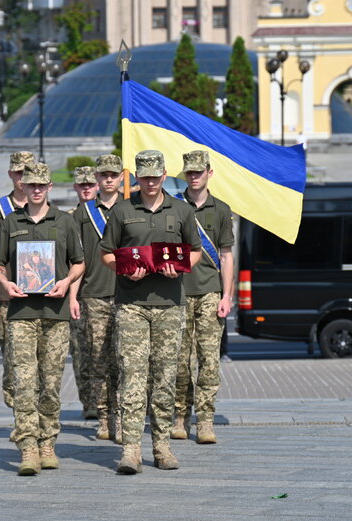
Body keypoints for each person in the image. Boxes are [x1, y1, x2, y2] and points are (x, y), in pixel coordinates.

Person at [99, 150, 201, 474]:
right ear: (137, 177)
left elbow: (195, 251)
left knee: (165, 378)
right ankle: (130, 450)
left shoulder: (182, 210)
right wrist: (125, 270)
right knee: (132, 375)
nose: (151, 181)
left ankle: (161, 447)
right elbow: (106, 255)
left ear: (164, 174)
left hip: (170, 305)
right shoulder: (122, 210)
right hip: (131, 306)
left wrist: (180, 268)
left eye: (156, 176)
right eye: (145, 177)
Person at [0, 162, 85, 476]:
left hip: (55, 314)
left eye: (41, 186)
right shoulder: (10, 222)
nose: (35, 190)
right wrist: (5, 284)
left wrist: (66, 283)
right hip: (21, 314)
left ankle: (48, 442)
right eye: (30, 185)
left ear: (49, 188)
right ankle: (28, 446)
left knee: (50, 383)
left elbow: (79, 263)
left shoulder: (64, 221)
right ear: (23, 186)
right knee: (23, 382)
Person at [171, 150, 235, 445]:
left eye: (199, 171)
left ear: (209, 173)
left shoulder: (221, 210)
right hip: (177, 293)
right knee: (179, 361)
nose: (194, 176)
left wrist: (227, 295)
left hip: (210, 292)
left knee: (208, 360)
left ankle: (205, 420)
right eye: (190, 172)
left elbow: (226, 256)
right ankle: (180, 416)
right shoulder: (171, 208)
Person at [0, 151, 33, 440]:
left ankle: (34, 421)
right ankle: (20, 418)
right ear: (11, 175)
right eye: (18, 173)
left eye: (27, 172)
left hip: (41, 297)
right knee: (13, 362)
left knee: (39, 363)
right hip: (7, 299)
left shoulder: (46, 208)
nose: (23, 179)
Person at [70, 156, 124, 441]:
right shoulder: (82, 214)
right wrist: (73, 296)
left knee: (124, 361)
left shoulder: (132, 208)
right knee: (99, 360)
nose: (108, 180)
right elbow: (75, 259)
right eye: (103, 175)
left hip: (128, 295)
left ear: (121, 178)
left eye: (113, 175)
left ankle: (122, 415)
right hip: (94, 294)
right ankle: (104, 416)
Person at [67, 167, 100, 419]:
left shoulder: (108, 215)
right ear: (75, 187)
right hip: (78, 294)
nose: (86, 188)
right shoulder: (69, 218)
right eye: (81, 185)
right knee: (81, 351)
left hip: (104, 291)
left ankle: (106, 401)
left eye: (90, 184)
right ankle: (88, 401)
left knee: (106, 352)